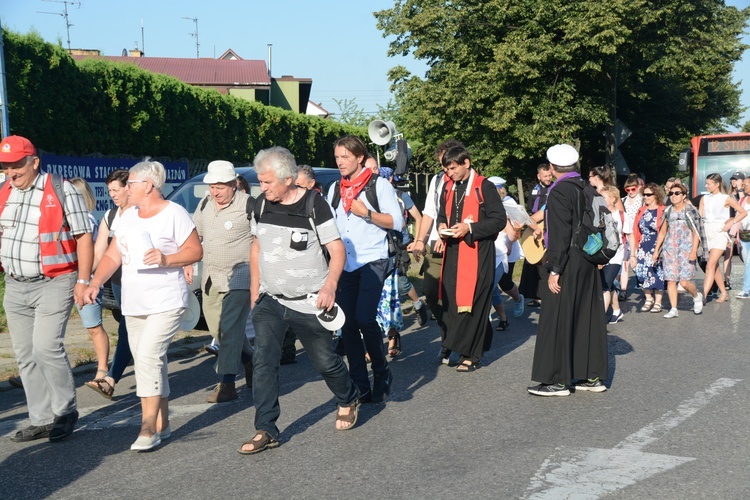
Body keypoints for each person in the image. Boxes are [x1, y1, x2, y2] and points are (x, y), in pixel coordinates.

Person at [239, 146, 359, 455]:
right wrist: (255, 292)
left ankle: (348, 397)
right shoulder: (260, 206)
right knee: (264, 361)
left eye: (267, 182)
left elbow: (337, 250)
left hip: (310, 302)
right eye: (260, 182)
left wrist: (330, 286)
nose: (261, 188)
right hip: (270, 300)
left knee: (325, 362)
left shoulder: (313, 205)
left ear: (289, 179)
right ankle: (266, 429)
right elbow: (256, 247)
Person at [83, 159, 202, 451]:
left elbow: (195, 250)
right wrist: (95, 282)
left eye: (132, 183)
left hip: (167, 300)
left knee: (148, 356)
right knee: (152, 360)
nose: (127, 187)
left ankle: (147, 427)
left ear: (148, 185)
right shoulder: (127, 217)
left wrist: (166, 259)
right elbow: (113, 255)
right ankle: (163, 423)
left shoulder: (174, 214)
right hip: (134, 304)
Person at [1, 135, 93, 442]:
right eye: (5, 167)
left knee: (45, 347)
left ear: (34, 161)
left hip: (55, 280)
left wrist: (83, 280)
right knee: (25, 354)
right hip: (15, 284)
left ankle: (65, 411)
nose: (11, 173)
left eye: (16, 166)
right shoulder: (4, 192)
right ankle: (41, 418)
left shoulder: (61, 188)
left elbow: (83, 236)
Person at [528, 144, 608, 396]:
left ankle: (557, 380)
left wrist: (555, 269)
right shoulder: (587, 188)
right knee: (587, 316)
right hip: (588, 258)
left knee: (557, 317)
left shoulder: (559, 191)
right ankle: (591, 376)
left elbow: (560, 233)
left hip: (568, 261)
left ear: (552, 168)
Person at [327, 135, 403, 403]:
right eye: (337, 157)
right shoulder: (335, 188)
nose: (340, 162)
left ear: (360, 157)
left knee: (364, 318)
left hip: (373, 260)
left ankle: (381, 371)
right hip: (345, 263)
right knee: (346, 324)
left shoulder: (378, 185)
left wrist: (366, 213)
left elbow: (398, 222)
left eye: (345, 157)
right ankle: (360, 382)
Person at [188, 160, 255, 403]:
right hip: (211, 277)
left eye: (220, 187)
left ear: (233, 184)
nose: (215, 192)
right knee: (219, 329)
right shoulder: (205, 203)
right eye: (212, 187)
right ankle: (251, 361)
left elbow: (261, 241)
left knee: (228, 329)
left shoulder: (249, 205)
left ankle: (226, 384)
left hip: (240, 277)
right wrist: (188, 263)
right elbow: (195, 234)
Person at [437, 145, 506, 372]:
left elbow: (498, 220)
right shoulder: (448, 186)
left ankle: (472, 355)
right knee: (451, 302)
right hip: (453, 251)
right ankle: (456, 344)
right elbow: (441, 213)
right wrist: (441, 226)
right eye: (447, 169)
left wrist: (469, 228)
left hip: (477, 252)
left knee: (473, 305)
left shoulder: (483, 186)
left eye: (453, 168)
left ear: (466, 163)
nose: (450, 173)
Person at [411, 138, 465, 362]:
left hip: (458, 245)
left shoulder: (468, 180)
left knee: (455, 297)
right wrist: (421, 240)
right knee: (432, 294)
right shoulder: (436, 180)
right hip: (435, 244)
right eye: (442, 164)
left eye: (448, 163)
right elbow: (429, 212)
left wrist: (447, 234)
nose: (445, 169)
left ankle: (456, 342)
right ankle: (449, 335)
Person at [87, 169, 133, 399]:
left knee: (127, 328)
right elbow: (98, 254)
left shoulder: (141, 213)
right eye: (109, 191)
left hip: (142, 283)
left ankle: (110, 378)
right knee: (127, 327)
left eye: (116, 189)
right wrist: (86, 279)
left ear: (129, 187)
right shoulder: (110, 216)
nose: (113, 194)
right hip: (118, 282)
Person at [69, 177, 111, 391]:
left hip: (86, 282)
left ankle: (102, 369)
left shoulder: (88, 221)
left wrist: (86, 281)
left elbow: (95, 255)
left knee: (94, 327)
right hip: (65, 280)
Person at [652, 183, 705, 317]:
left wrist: (694, 251)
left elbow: (696, 233)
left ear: (684, 195)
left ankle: (696, 295)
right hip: (670, 250)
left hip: (686, 250)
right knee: (670, 280)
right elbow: (663, 232)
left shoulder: (690, 210)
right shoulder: (667, 211)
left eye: (677, 193)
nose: (673, 196)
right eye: (671, 193)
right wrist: (656, 251)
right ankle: (673, 309)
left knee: (684, 282)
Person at [698, 173, 746, 303]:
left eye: (709, 184)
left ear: (717, 184)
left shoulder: (726, 198)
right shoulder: (704, 199)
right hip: (707, 233)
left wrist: (732, 222)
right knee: (714, 266)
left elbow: (743, 212)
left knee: (709, 265)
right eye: (706, 183)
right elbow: (699, 218)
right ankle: (724, 292)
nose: (706, 186)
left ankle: (702, 295)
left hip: (720, 232)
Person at [627, 183, 666, 313]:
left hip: (657, 244)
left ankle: (658, 301)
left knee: (657, 273)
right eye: (644, 194)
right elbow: (635, 230)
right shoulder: (642, 210)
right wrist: (634, 251)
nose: (646, 197)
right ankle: (648, 298)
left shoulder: (663, 210)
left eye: (649, 194)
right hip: (643, 244)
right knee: (641, 272)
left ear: (656, 195)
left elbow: (664, 231)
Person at [518, 163, 553, 307]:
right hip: (534, 226)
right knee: (532, 263)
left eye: (550, 175)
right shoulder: (535, 190)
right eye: (545, 176)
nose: (548, 178)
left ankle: (546, 295)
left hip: (547, 228)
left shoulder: (555, 189)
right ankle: (535, 295)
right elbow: (529, 211)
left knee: (545, 263)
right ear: (539, 176)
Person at [598, 186, 626, 323]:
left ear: (613, 199)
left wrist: (632, 256)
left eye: (603, 197)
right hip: (602, 255)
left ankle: (599, 318)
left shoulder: (621, 216)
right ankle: (617, 311)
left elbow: (630, 236)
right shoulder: (599, 214)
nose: (600, 200)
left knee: (605, 285)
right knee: (609, 285)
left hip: (616, 255)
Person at [619, 174, 643, 300]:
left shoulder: (643, 200)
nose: (630, 192)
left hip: (639, 234)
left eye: (632, 189)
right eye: (627, 190)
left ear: (638, 188)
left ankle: (647, 287)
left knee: (639, 264)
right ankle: (623, 290)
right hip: (626, 234)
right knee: (625, 263)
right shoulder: (623, 200)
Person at [737, 177, 750, 299]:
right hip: (744, 235)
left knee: (749, 263)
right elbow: (738, 219)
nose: (744, 187)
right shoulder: (742, 200)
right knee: (747, 262)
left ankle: (746, 290)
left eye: (745, 184)